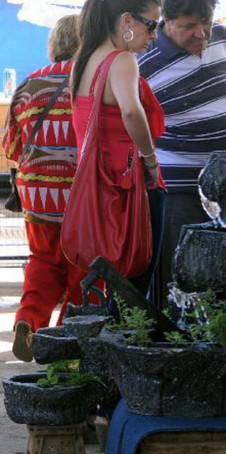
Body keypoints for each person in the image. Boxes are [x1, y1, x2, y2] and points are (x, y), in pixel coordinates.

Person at [71, 0, 166, 313]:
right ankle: (125, 351)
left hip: (98, 187)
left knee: (114, 280)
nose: (155, 35)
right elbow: (130, 110)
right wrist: (150, 161)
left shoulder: (83, 61)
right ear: (127, 20)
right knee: (134, 287)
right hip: (129, 186)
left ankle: (104, 348)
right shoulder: (122, 60)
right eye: (151, 25)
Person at [3, 15, 84, 362]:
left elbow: (11, 147)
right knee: (80, 267)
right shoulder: (91, 81)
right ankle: (69, 339)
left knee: (43, 260)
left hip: (36, 193)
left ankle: (29, 321)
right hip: (80, 193)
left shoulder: (28, 85)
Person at [137, 0, 226, 312]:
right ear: (167, 20)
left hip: (223, 179)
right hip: (177, 183)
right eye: (189, 26)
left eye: (207, 23)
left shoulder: (224, 39)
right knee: (181, 267)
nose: (201, 33)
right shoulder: (141, 62)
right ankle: (179, 339)